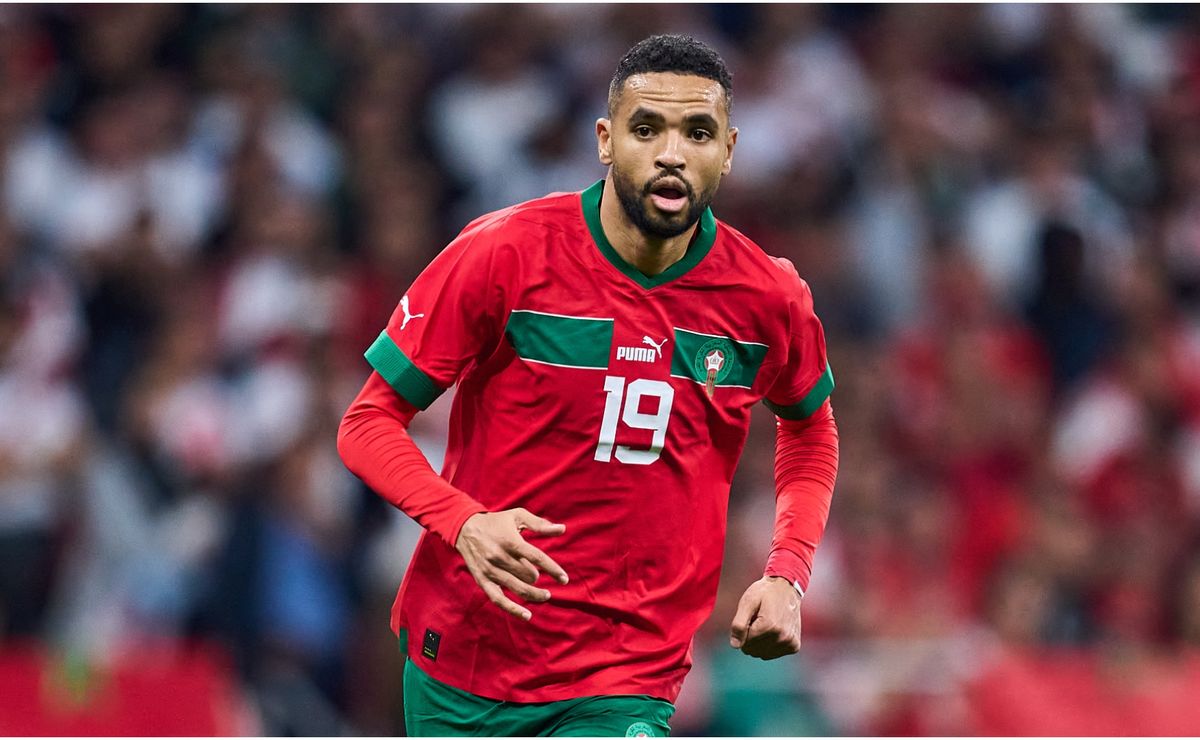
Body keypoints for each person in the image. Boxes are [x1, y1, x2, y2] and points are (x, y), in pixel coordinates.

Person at [338, 34, 839, 737]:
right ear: (606, 141)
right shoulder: (505, 254)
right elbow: (366, 423)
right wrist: (464, 522)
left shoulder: (767, 299)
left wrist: (787, 573)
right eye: (646, 129)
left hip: (626, 676)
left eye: (697, 133)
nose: (672, 154)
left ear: (728, 151)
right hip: (465, 661)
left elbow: (810, 429)